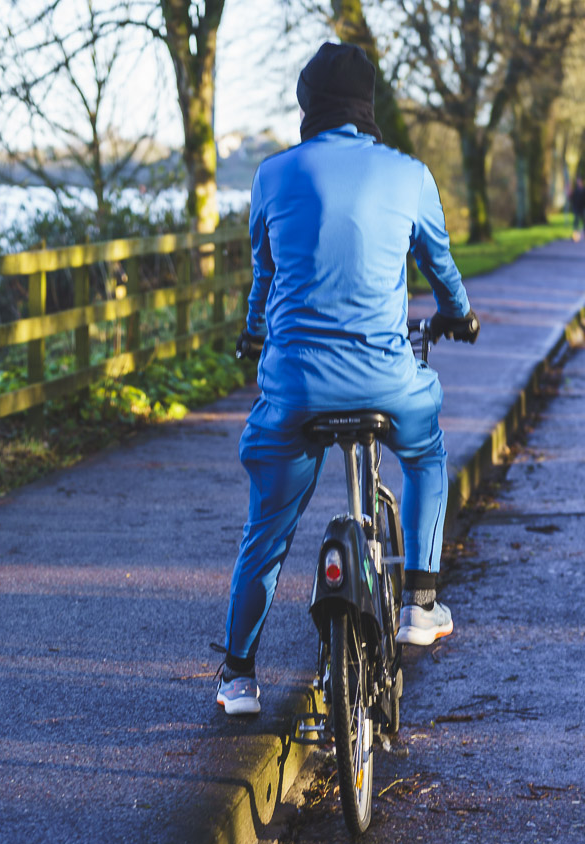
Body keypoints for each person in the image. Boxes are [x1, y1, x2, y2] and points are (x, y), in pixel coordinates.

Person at [217, 42, 479, 716]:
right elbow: (440, 266)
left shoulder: (273, 176)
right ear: (368, 103)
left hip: (296, 387)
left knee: (267, 526)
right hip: (386, 380)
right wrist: (460, 314)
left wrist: (253, 334)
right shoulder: (409, 174)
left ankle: (238, 674)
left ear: (309, 106)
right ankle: (420, 601)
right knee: (424, 449)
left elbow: (265, 277)